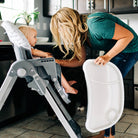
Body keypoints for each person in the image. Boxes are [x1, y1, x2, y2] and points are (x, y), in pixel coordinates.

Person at [50, 7, 138, 138]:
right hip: (119, 51)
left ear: (67, 24)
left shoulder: (95, 24)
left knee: (107, 92)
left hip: (129, 50)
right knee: (103, 92)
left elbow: (128, 36)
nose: (61, 34)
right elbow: (80, 61)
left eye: (60, 30)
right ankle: (105, 133)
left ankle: (108, 136)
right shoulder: (80, 35)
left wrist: (107, 57)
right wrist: (58, 62)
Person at [18, 25, 78, 95]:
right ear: (26, 38)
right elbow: (34, 52)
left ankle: (65, 84)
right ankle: (67, 87)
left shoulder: (27, 48)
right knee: (55, 67)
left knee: (56, 68)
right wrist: (45, 54)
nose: (36, 39)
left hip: (39, 69)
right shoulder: (29, 49)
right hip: (39, 72)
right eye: (34, 37)